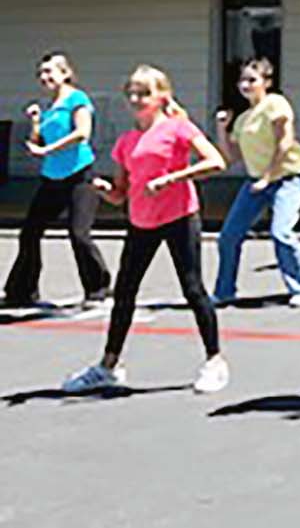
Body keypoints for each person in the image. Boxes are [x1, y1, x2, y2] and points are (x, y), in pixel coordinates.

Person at [60, 66, 230, 394]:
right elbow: (121, 192)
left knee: (193, 289)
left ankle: (214, 361)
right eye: (132, 94)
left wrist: (172, 178)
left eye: (144, 93)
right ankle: (108, 365)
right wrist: (105, 189)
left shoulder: (179, 128)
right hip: (141, 222)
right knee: (124, 293)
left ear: (161, 97)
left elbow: (216, 162)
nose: (136, 100)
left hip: (180, 216)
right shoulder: (127, 142)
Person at [211, 58, 300, 308]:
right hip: (257, 181)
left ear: (267, 82)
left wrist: (268, 176)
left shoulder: (276, 104)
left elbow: (285, 141)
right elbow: (231, 157)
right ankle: (224, 291)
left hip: (287, 177)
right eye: (242, 80)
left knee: (281, 232)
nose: (245, 85)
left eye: (252, 80)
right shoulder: (243, 120)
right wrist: (222, 129)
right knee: (229, 235)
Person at [5, 52, 112, 311]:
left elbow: (81, 133)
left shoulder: (78, 99)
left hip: (79, 175)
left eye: (49, 72)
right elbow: (39, 141)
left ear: (65, 74)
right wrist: (35, 122)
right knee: (30, 232)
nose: (44, 77)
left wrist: (48, 150)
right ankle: (22, 290)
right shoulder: (48, 108)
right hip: (52, 177)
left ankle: (98, 289)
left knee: (79, 234)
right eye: (41, 73)